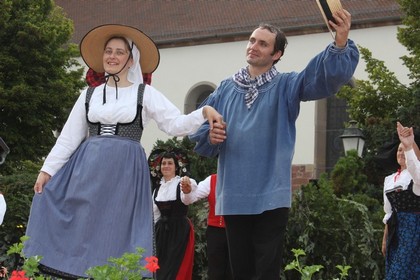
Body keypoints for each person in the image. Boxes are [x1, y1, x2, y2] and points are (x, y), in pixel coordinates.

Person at [23, 24, 223, 279]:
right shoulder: (89, 94)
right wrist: (46, 170)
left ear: (131, 60)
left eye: (119, 52)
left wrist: (204, 112)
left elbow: (174, 123)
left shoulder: (144, 94)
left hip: (124, 173)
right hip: (86, 170)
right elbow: (68, 139)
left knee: (115, 228)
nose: (112, 56)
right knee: (80, 223)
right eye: (108, 51)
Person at [189, 10, 359, 280]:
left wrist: (340, 44)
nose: (253, 46)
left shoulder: (287, 85)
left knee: (266, 272)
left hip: (271, 196)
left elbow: (319, 78)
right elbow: (199, 129)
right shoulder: (224, 89)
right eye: (252, 40)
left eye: (263, 43)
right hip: (234, 195)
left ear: (276, 54)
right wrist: (210, 137)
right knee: (240, 272)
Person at [381, 122, 420, 280]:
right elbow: (389, 212)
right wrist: (385, 238)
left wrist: (409, 146)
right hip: (396, 230)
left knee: (405, 272)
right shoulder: (389, 180)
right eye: (399, 150)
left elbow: (414, 167)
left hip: (414, 228)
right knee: (394, 271)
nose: (401, 153)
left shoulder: (415, 176)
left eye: (403, 150)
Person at [149, 150, 196, 280]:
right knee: (159, 266)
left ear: (176, 167)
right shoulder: (157, 189)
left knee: (175, 266)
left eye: (170, 163)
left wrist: (187, 190)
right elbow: (155, 214)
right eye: (163, 163)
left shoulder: (183, 182)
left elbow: (188, 199)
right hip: (161, 231)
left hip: (179, 230)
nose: (166, 166)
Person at [182, 174, 233, 280]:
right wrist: (188, 191)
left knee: (234, 269)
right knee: (215, 270)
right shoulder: (212, 179)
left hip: (237, 230)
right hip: (216, 231)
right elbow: (192, 197)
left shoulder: (242, 178)